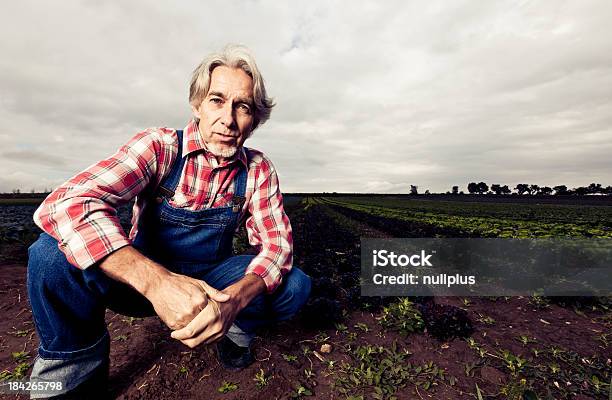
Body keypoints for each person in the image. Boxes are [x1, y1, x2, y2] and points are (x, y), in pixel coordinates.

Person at [27, 44, 311, 399]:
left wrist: (233, 303)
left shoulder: (257, 168)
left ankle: (234, 331)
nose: (228, 118)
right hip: (138, 284)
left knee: (294, 285)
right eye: (217, 100)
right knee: (51, 253)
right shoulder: (160, 146)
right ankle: (75, 369)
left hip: (210, 285)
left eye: (243, 106)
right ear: (196, 105)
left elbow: (277, 247)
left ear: (254, 119)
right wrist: (158, 283)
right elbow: (68, 202)